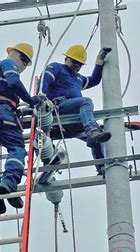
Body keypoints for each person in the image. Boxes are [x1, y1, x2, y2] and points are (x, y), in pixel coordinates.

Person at [0, 43, 44, 214]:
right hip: (1, 111)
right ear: (18, 56)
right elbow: (14, 81)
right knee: (16, 148)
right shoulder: (7, 64)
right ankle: (9, 183)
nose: (23, 66)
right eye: (25, 61)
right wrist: (30, 100)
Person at [39, 44, 112, 176]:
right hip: (58, 109)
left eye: (79, 64)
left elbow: (94, 80)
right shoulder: (57, 68)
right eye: (74, 62)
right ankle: (91, 131)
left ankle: (102, 168)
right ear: (66, 58)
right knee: (86, 102)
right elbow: (45, 79)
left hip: (74, 119)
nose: (76, 66)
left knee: (97, 139)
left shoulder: (78, 79)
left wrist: (99, 61)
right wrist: (42, 98)